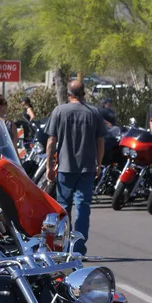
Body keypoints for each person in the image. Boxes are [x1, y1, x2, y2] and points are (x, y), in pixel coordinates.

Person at [45, 80, 106, 255]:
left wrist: (50, 166)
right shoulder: (94, 112)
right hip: (87, 168)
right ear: (83, 93)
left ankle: (62, 247)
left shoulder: (59, 111)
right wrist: (99, 163)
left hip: (65, 167)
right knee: (83, 207)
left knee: (63, 208)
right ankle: (78, 247)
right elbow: (100, 140)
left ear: (68, 94)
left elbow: (51, 141)